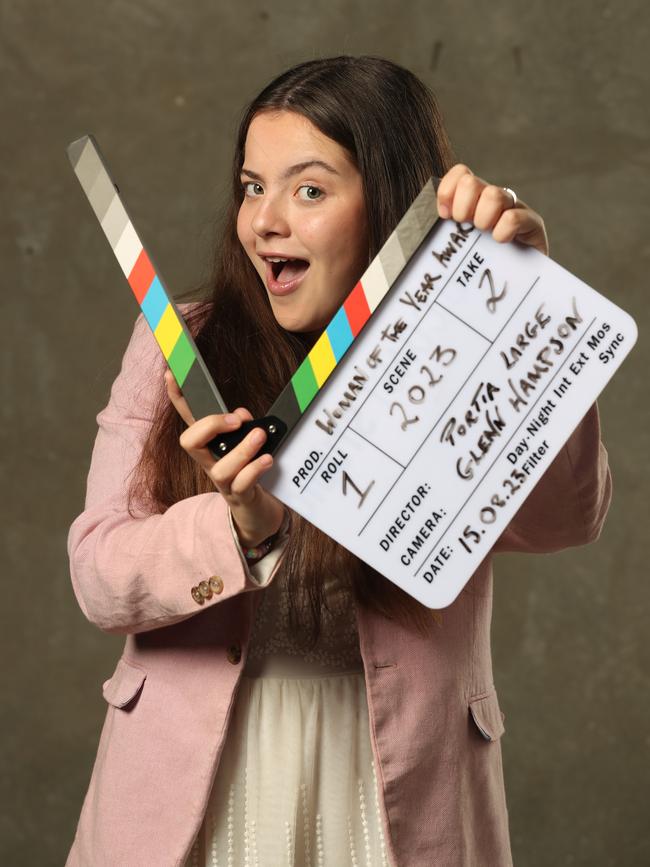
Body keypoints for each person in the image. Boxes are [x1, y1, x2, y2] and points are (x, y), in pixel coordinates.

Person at [65, 55, 612, 866]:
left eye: (309, 190)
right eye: (253, 186)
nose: (265, 222)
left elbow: (566, 517)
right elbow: (98, 573)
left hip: (397, 781)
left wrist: (526, 309)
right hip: (197, 778)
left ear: (387, 205)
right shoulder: (179, 341)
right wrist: (236, 528)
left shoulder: (449, 348)